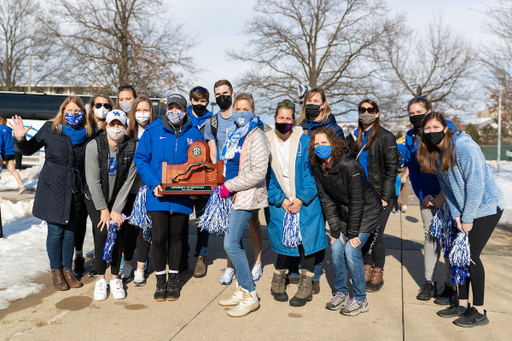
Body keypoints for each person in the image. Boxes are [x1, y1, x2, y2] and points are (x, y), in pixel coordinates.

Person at [417, 112, 506, 328]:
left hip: (486, 207)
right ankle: (462, 303)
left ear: (446, 128)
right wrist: (457, 215)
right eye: (427, 129)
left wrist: (467, 218)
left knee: (471, 257)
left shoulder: (465, 147)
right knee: (458, 258)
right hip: (465, 210)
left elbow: (475, 185)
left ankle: (479, 311)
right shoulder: (435, 154)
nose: (431, 132)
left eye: (435, 127)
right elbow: (447, 190)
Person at [11, 96, 94, 291]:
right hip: (53, 187)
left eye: (77, 110)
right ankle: (56, 272)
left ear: (83, 113)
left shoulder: (87, 134)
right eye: (69, 110)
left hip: (75, 187)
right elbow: (28, 150)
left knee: (71, 231)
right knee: (56, 231)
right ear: (62, 112)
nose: (73, 114)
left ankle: (68, 270)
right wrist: (20, 138)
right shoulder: (50, 128)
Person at [134, 94, 204, 301]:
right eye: (171, 108)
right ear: (166, 109)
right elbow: (141, 158)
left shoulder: (194, 133)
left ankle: (173, 279)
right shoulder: (153, 130)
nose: (174, 112)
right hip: (158, 194)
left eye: (178, 108)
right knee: (158, 237)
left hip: (182, 197)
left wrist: (195, 188)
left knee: (176, 238)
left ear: (185, 110)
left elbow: (200, 163)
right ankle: (160, 279)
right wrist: (153, 183)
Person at [310, 127, 381, 316]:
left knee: (351, 249)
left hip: (366, 211)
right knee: (335, 247)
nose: (319, 147)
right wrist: (334, 229)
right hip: (343, 214)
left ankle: (360, 298)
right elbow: (326, 200)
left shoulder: (350, 165)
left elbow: (358, 201)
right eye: (316, 143)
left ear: (333, 143)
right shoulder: (318, 168)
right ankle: (341, 292)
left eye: (324, 142)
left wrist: (353, 234)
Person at [266, 100, 328, 307]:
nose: (284, 121)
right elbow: (264, 177)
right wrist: (280, 199)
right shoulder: (266, 141)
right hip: (280, 199)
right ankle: (278, 279)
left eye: (288, 118)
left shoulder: (303, 140)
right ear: (275, 119)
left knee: (307, 240)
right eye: (281, 118)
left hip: (303, 197)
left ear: (294, 121)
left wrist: (301, 199)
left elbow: (312, 173)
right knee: (284, 239)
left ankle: (306, 283)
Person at [204, 80, 264, 285]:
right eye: (218, 93)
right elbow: (214, 153)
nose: (222, 96)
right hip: (226, 181)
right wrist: (217, 180)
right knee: (227, 225)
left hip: (246, 181)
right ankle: (230, 266)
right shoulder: (213, 122)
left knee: (253, 222)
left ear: (232, 93)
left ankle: (257, 262)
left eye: (225, 93)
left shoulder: (254, 126)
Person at [217, 93, 270, 317]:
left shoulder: (257, 135)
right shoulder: (234, 135)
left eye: (245, 109)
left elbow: (258, 171)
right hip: (231, 194)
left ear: (253, 110)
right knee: (233, 241)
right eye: (237, 109)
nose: (240, 113)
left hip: (245, 195)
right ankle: (241, 288)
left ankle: (250, 294)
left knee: (231, 244)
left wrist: (231, 185)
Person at [290, 87, 344, 294]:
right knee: (299, 229)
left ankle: (315, 274)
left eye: (316, 100)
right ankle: (297, 269)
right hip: (301, 185)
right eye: (308, 100)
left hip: (323, 185)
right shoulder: (298, 125)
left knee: (317, 233)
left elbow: (337, 157)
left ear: (323, 104)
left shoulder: (333, 128)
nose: (311, 103)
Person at [405, 97, 458, 304]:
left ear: (430, 111)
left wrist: (442, 197)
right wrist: (422, 196)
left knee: (450, 239)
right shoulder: (411, 137)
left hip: (450, 197)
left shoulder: (448, 130)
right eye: (411, 113)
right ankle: (430, 282)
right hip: (427, 197)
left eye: (419, 111)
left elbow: (453, 168)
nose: (415, 115)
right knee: (430, 238)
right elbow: (414, 171)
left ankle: (451, 285)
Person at [346, 99, 398, 292]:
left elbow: (392, 170)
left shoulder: (386, 137)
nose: (366, 113)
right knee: (364, 233)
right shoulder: (353, 137)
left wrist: (385, 197)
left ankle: (378, 269)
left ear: (377, 113)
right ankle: (366, 266)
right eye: (362, 109)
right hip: (360, 195)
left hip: (380, 195)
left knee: (377, 233)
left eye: (370, 110)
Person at [85, 109, 137, 300]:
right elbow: (93, 180)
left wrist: (116, 209)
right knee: (101, 232)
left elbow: (128, 181)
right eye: (112, 124)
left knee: (118, 232)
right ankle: (101, 279)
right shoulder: (94, 146)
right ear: (106, 126)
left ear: (125, 126)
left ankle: (115, 278)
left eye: (120, 124)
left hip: (118, 198)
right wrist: (104, 210)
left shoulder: (133, 147)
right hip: (95, 198)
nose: (116, 128)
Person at [74, 92, 116, 278]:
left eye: (107, 105)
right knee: (78, 223)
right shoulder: (84, 128)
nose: (102, 108)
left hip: (98, 185)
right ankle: (79, 256)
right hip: (78, 181)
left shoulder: (111, 128)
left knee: (97, 223)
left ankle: (98, 261)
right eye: (98, 105)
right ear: (91, 107)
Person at [118, 95, 156, 286]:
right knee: (129, 230)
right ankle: (127, 263)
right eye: (139, 110)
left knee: (145, 230)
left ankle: (140, 268)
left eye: (146, 110)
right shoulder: (127, 133)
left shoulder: (156, 132)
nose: (142, 114)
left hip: (148, 189)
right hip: (129, 190)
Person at [181, 86, 214, 278]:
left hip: (205, 174)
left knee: (203, 218)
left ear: (207, 102)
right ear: (190, 100)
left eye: (203, 101)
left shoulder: (212, 119)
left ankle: (201, 256)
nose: (199, 104)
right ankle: (183, 253)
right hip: (186, 173)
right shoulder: (184, 118)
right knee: (183, 218)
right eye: (196, 100)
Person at [0, 116, 25, 194]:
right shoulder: (9, 130)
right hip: (10, 152)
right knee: (13, 170)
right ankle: (22, 186)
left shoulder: (0, 129)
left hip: (2, 153)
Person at [396, 144, 410, 213]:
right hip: (392, 166)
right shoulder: (388, 151)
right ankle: (391, 203)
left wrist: (405, 176)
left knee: (405, 183)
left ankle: (404, 204)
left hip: (404, 167)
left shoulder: (405, 151)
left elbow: (409, 165)